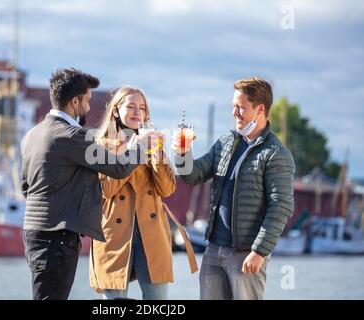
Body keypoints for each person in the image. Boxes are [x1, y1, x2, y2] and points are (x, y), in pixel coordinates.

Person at [21, 69, 144, 300]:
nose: (88, 107)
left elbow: (26, 187)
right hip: (57, 238)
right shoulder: (73, 136)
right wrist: (139, 146)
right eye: (87, 101)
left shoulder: (31, 135)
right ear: (74, 101)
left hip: (33, 234)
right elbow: (118, 168)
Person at [172, 77, 295, 300]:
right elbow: (192, 175)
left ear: (260, 109)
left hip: (247, 253)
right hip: (213, 250)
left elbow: (281, 206)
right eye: (233, 106)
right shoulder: (225, 142)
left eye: (241, 107)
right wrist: (182, 153)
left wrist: (259, 251)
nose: (234, 112)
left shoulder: (276, 153)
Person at [89, 86, 182, 300]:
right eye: (130, 107)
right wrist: (132, 151)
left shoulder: (152, 144)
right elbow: (106, 189)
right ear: (115, 111)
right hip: (114, 237)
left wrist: (156, 153)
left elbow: (167, 189)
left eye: (141, 108)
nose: (137, 112)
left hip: (152, 234)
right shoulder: (101, 146)